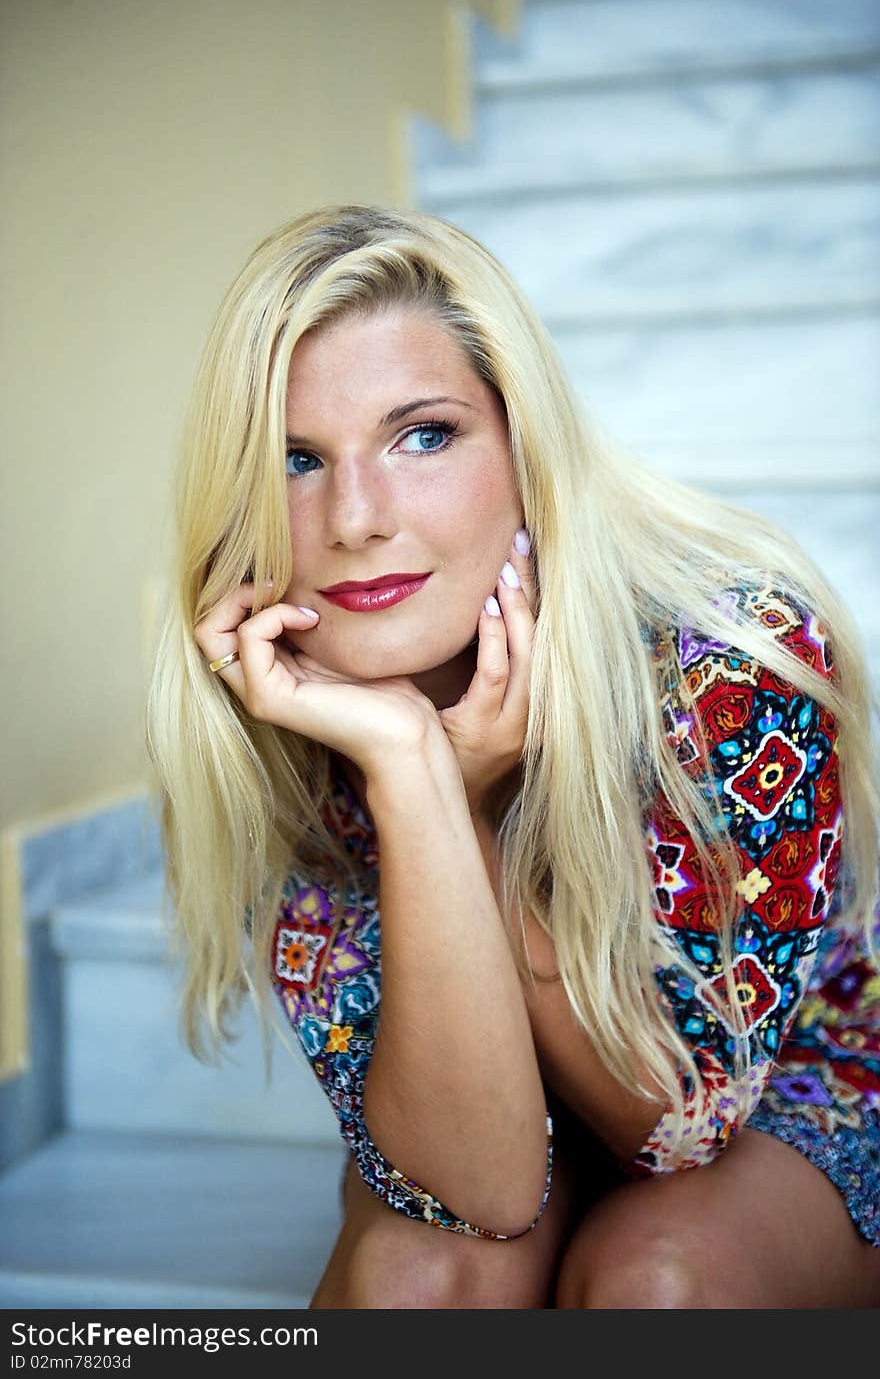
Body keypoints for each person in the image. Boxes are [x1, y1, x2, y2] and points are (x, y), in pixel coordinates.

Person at [146, 203, 880, 1309]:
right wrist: (409, 768)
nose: (356, 517)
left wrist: (479, 811)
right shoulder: (273, 715)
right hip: (483, 1092)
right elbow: (478, 1187)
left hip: (788, 1080)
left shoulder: (725, 660)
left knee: (657, 1279)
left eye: (422, 435)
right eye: (296, 459)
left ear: (523, 442)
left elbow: (670, 1132)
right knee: (417, 1278)